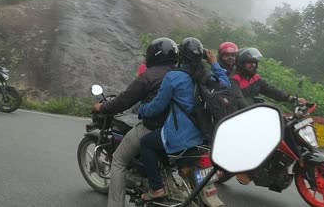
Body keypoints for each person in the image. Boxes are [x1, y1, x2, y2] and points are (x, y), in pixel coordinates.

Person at [138, 37, 229, 201]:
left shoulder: (173, 77)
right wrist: (214, 63)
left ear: (181, 56)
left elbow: (157, 106)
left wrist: (142, 109)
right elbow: (225, 86)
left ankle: (157, 189)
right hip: (205, 136)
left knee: (146, 143)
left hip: (181, 137)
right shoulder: (207, 76)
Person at [92, 37, 179, 207]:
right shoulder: (181, 73)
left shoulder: (149, 76)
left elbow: (124, 100)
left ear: (153, 56)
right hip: (181, 128)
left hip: (155, 128)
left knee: (118, 160)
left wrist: (102, 108)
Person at [230, 47, 305, 185]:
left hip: (253, 111)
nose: (253, 65)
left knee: (283, 125)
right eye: (249, 62)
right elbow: (238, 100)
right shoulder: (234, 80)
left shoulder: (255, 77)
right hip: (239, 115)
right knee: (258, 139)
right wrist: (254, 112)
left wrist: (291, 98)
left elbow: (271, 90)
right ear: (241, 63)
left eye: (254, 62)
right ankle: (245, 169)